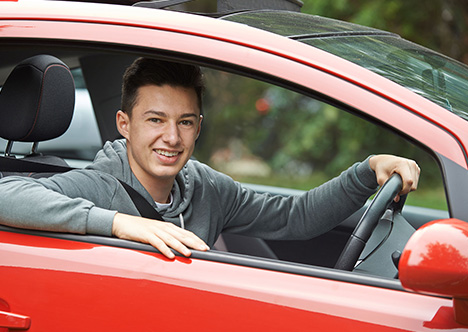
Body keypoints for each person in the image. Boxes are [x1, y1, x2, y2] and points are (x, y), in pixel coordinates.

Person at [0, 58, 420, 259]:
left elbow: (296, 216)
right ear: (124, 124)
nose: (171, 137)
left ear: (199, 127)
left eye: (185, 122)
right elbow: (6, 193)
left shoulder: (205, 187)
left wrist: (366, 172)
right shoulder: (98, 185)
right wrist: (121, 224)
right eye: (155, 120)